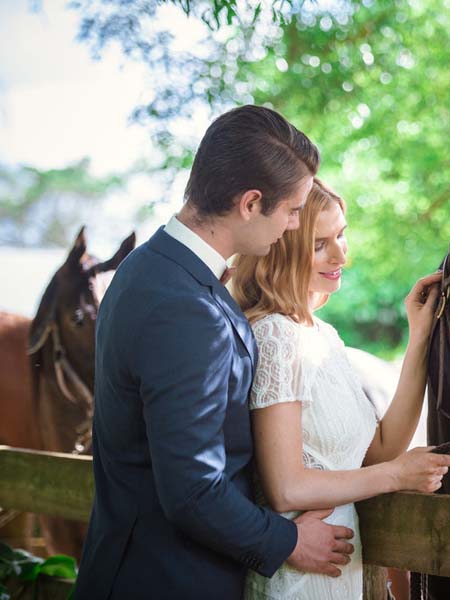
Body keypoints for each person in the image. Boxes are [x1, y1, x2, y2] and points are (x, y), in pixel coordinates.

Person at [73, 106, 354, 600]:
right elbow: (193, 489)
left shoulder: (149, 265)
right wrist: (288, 541)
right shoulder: (185, 307)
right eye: (292, 210)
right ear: (251, 203)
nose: (293, 225)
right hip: (166, 582)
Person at [232, 178, 450, 600]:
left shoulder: (325, 336)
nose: (340, 255)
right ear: (284, 249)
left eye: (341, 235)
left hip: (339, 570)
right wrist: (396, 476)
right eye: (320, 244)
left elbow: (380, 450)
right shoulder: (276, 336)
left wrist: (420, 337)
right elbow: (286, 489)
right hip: (297, 578)